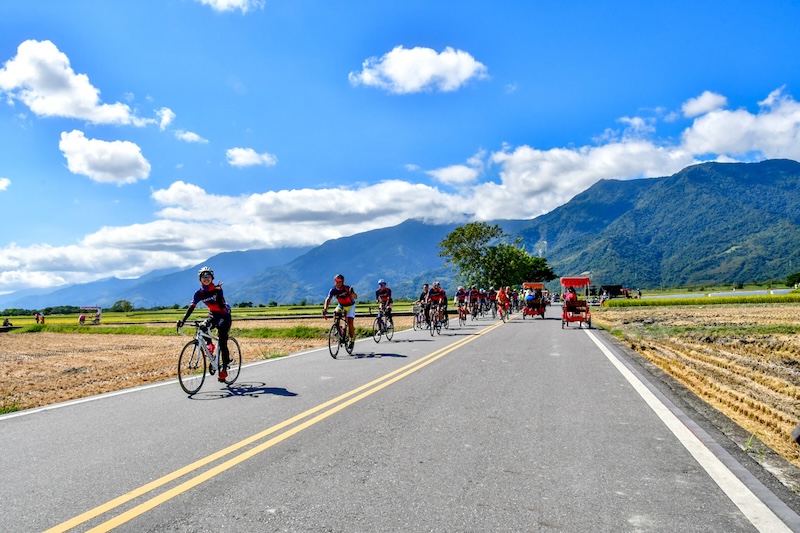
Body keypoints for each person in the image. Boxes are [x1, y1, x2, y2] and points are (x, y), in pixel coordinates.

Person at [177, 266, 232, 382]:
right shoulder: (199, 293)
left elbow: (221, 306)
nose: (206, 278)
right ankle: (210, 346)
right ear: (200, 279)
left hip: (224, 314)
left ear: (212, 278)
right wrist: (183, 320)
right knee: (202, 327)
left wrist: (218, 292)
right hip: (213, 314)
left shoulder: (217, 289)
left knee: (222, 341)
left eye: (208, 276)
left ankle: (224, 370)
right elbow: (191, 307)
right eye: (203, 277)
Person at [323, 274, 358, 350]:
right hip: (341, 305)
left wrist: (352, 293)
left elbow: (355, 297)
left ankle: (352, 340)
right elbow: (328, 299)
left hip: (350, 306)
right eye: (336, 281)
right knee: (336, 313)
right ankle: (338, 329)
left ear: (342, 282)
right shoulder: (333, 290)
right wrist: (325, 309)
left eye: (339, 281)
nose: (338, 283)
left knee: (350, 322)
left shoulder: (346, 288)